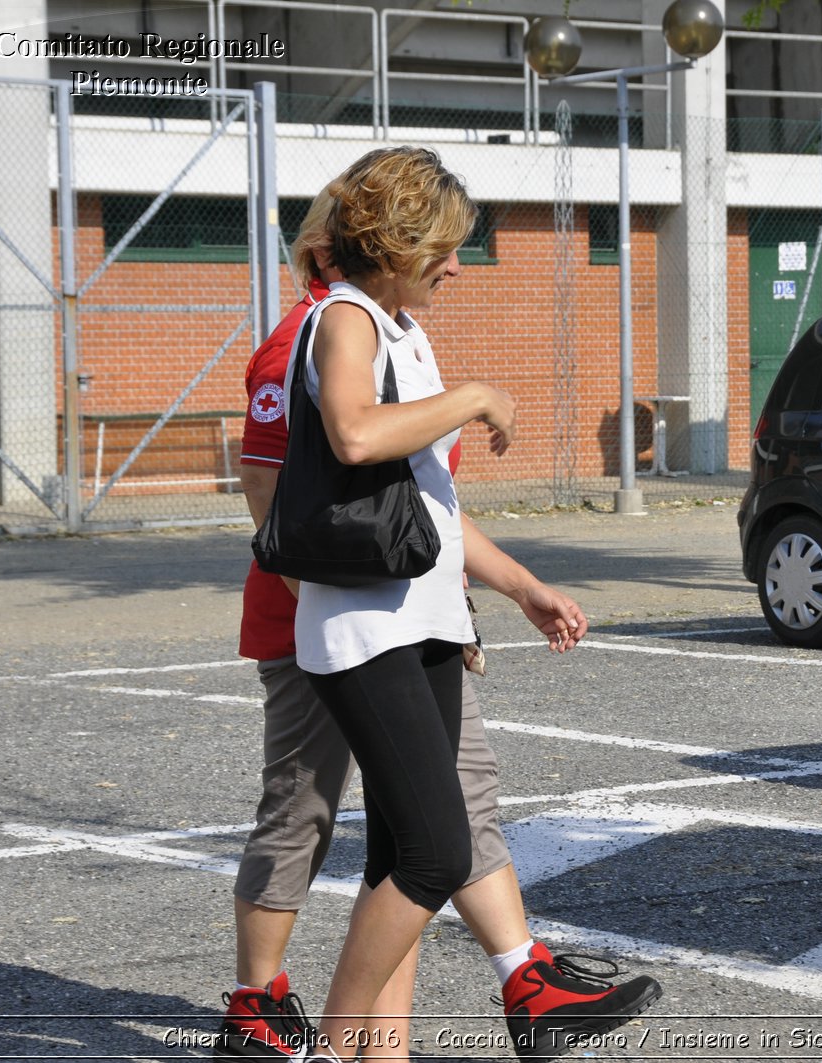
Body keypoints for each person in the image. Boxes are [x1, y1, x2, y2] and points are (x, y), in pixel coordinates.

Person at [217, 160, 659, 1062]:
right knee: (431, 849)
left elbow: (428, 505)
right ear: (399, 244)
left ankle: (387, 1050)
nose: (459, 266)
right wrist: (476, 396)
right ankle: (332, 1046)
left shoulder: (398, 326)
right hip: (361, 626)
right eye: (448, 247)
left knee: (398, 851)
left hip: (421, 618)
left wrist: (519, 587)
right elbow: (351, 433)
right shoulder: (342, 317)